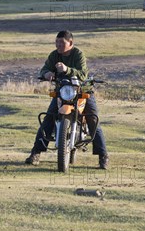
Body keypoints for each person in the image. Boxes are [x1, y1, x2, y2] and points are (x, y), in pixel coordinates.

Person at [25, 30, 109, 169]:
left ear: (70, 43)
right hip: (63, 90)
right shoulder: (54, 55)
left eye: (61, 43)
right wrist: (47, 74)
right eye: (57, 42)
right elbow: (44, 69)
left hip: (82, 89)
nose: (58, 45)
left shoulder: (78, 54)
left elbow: (83, 74)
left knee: (93, 119)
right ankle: (36, 153)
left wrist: (67, 69)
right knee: (49, 118)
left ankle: (103, 156)